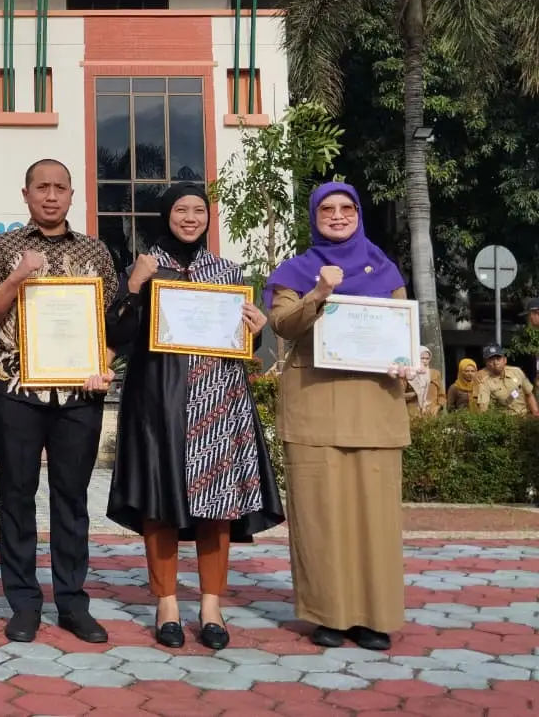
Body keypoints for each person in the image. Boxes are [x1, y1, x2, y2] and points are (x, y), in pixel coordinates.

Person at [106, 182, 284, 650]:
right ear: (165, 215)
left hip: (218, 400)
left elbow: (242, 342)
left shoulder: (226, 271)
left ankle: (211, 606)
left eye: (198, 210)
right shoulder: (144, 267)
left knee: (217, 506)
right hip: (157, 402)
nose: (190, 218)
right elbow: (116, 334)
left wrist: (257, 330)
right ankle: (166, 603)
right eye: (181, 209)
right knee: (159, 502)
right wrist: (134, 285)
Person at [0, 158, 117, 644]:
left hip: (79, 392)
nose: (51, 196)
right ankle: (23, 602)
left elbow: (109, 322)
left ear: (72, 195)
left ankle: (73, 602)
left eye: (60, 187)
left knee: (71, 499)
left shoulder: (95, 251)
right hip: (16, 390)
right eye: (42, 187)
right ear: (26, 194)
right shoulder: (2, 247)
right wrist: (17, 277)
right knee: (16, 496)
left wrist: (104, 363)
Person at [266, 181, 409, 651]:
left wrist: (411, 360)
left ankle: (374, 617)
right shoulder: (296, 271)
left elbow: (402, 330)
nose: (337, 215)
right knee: (320, 517)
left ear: (359, 213)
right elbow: (283, 325)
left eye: (347, 207)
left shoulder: (386, 270)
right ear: (313, 216)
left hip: (375, 406)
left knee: (375, 519)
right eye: (326, 208)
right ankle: (327, 614)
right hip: (315, 408)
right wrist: (320, 291)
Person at [474, 345, 539, 416]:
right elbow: (483, 408)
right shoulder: (485, 383)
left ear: (505, 360)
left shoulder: (517, 372)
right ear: (486, 363)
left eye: (498, 359)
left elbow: (529, 394)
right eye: (491, 360)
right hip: (505, 420)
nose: (495, 363)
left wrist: (535, 413)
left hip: (525, 417)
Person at [405, 346, 446, 418]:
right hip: (413, 413)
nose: (425, 361)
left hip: (431, 413)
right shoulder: (409, 374)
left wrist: (437, 407)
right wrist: (413, 394)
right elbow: (400, 396)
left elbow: (441, 395)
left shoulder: (435, 373)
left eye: (427, 358)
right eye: (422, 358)